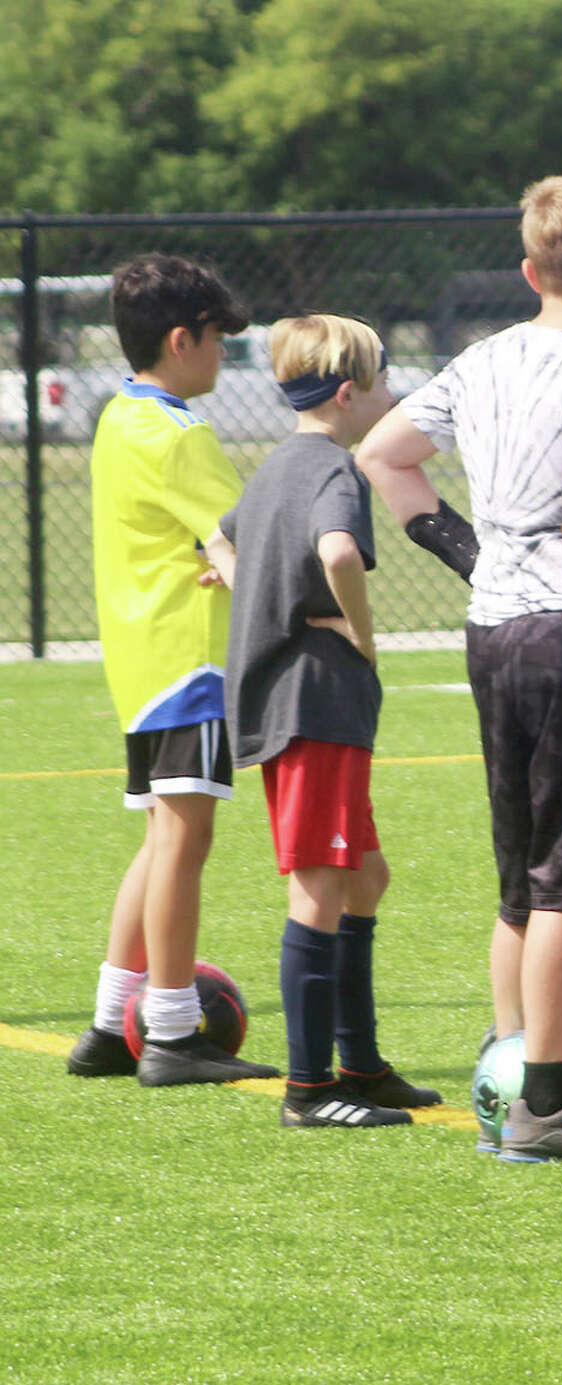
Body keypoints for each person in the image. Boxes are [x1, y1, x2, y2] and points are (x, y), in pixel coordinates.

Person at [356, 175, 562, 1161]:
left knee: (522, 873)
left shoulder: (482, 360)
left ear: (531, 271)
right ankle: (547, 1101)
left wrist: (466, 550)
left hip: (495, 632)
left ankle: (512, 1063)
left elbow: (383, 453)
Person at [216, 313, 441, 1129]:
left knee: (364, 876)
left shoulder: (275, 466)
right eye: (383, 381)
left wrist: (261, 595)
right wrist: (359, 630)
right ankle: (310, 1091)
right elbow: (339, 553)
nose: (392, 394)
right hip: (313, 704)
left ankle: (362, 1062)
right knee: (318, 886)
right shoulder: (337, 473)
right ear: (350, 395)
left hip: (312, 708)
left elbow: (219, 542)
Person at [66, 252, 282, 1088]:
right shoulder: (181, 433)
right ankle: (170, 1028)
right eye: (218, 341)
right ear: (181, 339)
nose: (223, 356)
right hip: (191, 660)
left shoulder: (121, 415)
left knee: (162, 834)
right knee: (187, 836)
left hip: (140, 657)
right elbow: (241, 540)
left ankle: (105, 1022)